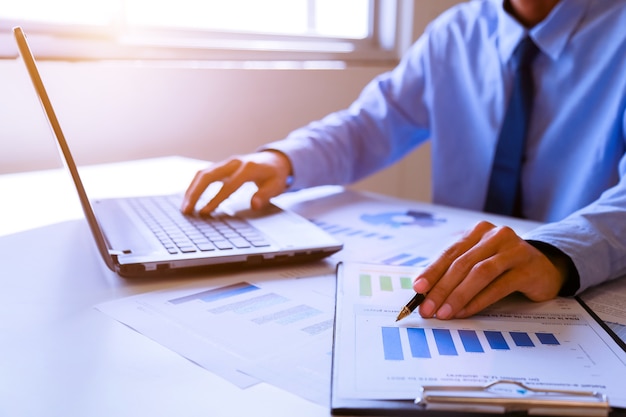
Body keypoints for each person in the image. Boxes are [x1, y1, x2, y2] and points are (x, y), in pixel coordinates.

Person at [181, 0, 626, 320]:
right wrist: (283, 159)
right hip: (458, 288)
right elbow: (372, 122)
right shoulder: (455, 32)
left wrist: (556, 253)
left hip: (578, 296)